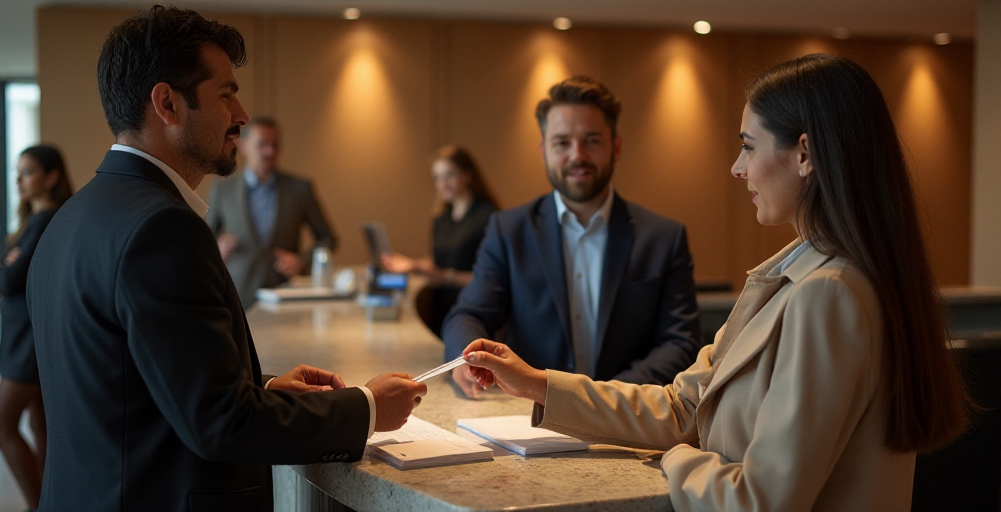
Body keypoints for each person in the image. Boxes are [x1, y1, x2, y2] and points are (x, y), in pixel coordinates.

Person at [460, 54, 971, 511]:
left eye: (748, 147)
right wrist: (538, 383)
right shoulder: (795, 276)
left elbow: (760, 501)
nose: (737, 167)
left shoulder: (828, 295)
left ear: (805, 154)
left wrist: (682, 458)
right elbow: (684, 406)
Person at [26, 7, 425, 511]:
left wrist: (265, 389)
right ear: (167, 103)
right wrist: (365, 408)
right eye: (226, 93)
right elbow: (220, 423)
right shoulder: (162, 228)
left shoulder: (70, 218)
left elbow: (133, 385)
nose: (241, 114)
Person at [442, 76, 702, 398]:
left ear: (616, 146)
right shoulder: (508, 231)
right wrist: (464, 358)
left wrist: (603, 399)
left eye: (591, 140)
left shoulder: (664, 238)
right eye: (562, 142)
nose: (577, 155)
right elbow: (470, 314)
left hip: (628, 415)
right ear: (543, 150)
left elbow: (680, 343)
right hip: (531, 414)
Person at [0, 145, 72, 510]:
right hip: (26, 338)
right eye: (18, 172)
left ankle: (39, 505)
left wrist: (0, 273)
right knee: (41, 428)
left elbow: (8, 277)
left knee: (0, 426)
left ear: (51, 177)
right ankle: (52, 502)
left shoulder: (47, 220)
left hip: (28, 341)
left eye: (28, 171)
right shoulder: (33, 222)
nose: (19, 179)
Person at [206, 116, 338, 308]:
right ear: (243, 146)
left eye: (275, 145)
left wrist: (302, 261)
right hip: (238, 297)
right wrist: (216, 250)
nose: (270, 151)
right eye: (262, 144)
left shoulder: (300, 189)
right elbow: (204, 237)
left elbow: (328, 238)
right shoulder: (223, 189)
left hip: (287, 294)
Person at [381, 145, 499, 338]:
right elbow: (439, 263)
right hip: (442, 308)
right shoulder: (442, 218)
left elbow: (492, 278)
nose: (442, 184)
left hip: (472, 310)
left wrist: (446, 277)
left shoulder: (488, 217)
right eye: (437, 177)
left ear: (468, 175)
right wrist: (412, 265)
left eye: (449, 175)